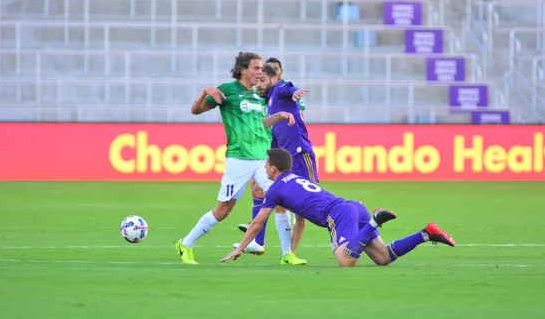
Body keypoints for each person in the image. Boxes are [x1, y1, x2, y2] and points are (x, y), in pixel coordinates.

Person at [222, 148, 456, 267]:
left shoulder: (275, 189)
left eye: (265, 165)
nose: (263, 169)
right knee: (383, 257)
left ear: (274, 169)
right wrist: (290, 252)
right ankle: (426, 234)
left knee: (346, 261)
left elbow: (257, 223)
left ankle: (375, 220)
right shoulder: (294, 179)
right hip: (354, 207)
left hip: (338, 214)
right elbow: (299, 218)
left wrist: (240, 248)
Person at [176, 52, 304, 265]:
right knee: (224, 209)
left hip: (263, 159)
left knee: (282, 200)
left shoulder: (256, 95)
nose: (260, 72)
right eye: (256, 68)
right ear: (242, 70)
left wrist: (278, 116)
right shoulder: (227, 91)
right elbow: (195, 110)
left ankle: (287, 254)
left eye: (261, 68)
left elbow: (258, 124)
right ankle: (186, 244)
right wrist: (204, 92)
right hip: (239, 159)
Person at [233, 65, 314, 261]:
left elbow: (289, 89)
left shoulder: (279, 90)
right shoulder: (268, 102)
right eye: (257, 81)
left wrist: (296, 92)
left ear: (273, 80)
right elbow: (274, 138)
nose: (258, 85)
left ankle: (343, 230)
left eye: (262, 81)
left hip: (300, 154)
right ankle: (286, 253)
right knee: (274, 198)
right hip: (285, 160)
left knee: (310, 207)